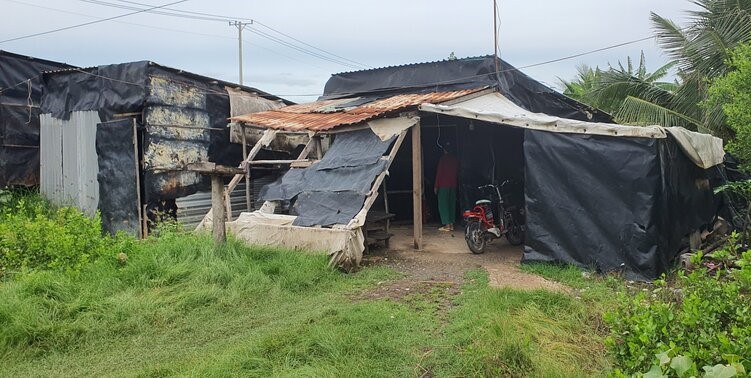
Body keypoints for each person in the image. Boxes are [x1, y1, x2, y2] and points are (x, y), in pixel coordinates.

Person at [434, 142, 458, 231]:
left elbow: (439, 173)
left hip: (443, 185)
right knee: (451, 204)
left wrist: (436, 186)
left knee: (443, 205)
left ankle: (447, 225)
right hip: (453, 185)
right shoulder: (455, 160)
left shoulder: (443, 159)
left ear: (444, 150)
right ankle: (451, 224)